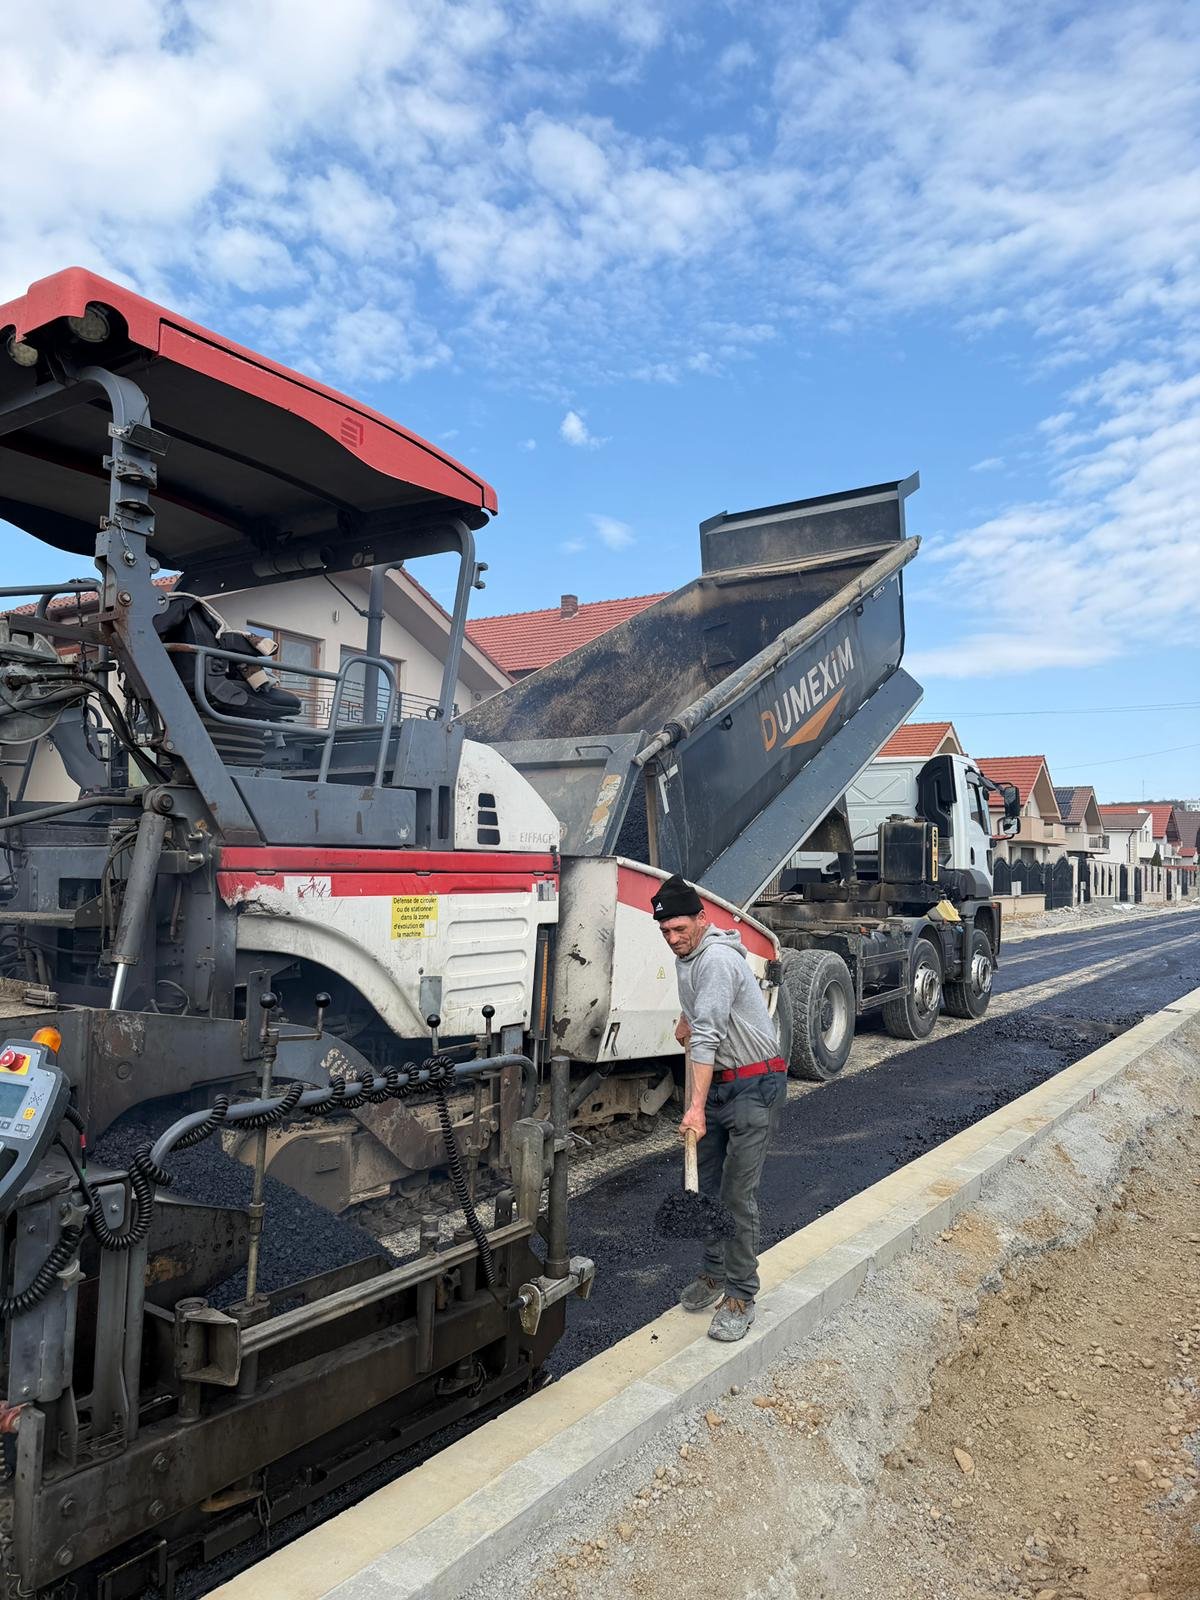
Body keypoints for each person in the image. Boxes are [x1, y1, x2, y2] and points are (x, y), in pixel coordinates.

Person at [652, 873, 786, 1342]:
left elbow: (708, 1036)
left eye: (680, 929)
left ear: (702, 919)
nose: (673, 938)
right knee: (705, 1190)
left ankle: (741, 1295)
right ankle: (713, 1273)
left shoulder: (716, 960)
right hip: (723, 1085)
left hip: (755, 1086)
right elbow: (703, 1013)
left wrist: (693, 1109)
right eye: (665, 931)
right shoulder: (688, 959)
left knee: (735, 1196)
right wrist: (685, 1017)